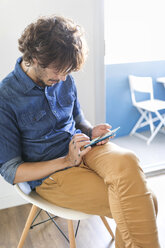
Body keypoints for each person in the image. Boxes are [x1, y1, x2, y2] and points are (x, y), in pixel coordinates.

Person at [0, 15, 160, 248]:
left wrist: (90, 130)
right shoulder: (6, 97)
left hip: (83, 148)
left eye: (68, 71)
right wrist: (66, 160)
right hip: (53, 172)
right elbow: (11, 171)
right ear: (34, 58)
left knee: (128, 160)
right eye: (58, 71)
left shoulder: (63, 76)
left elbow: (77, 119)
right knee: (145, 202)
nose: (64, 78)